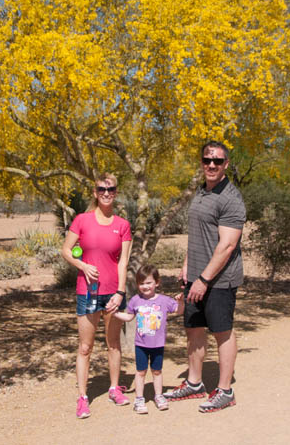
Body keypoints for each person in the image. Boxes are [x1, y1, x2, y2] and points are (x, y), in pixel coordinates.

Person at [164, 140, 245, 412]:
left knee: (222, 331)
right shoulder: (201, 191)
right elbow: (198, 233)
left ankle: (225, 390)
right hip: (196, 276)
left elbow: (227, 245)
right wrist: (188, 266)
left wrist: (204, 280)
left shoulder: (231, 198)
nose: (211, 165)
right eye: (207, 160)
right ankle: (194, 383)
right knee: (194, 328)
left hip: (219, 279)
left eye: (217, 161)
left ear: (226, 164)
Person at [61, 173, 133, 419]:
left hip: (113, 293)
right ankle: (83, 397)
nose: (106, 193)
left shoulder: (122, 225)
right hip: (87, 291)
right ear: (95, 192)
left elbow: (123, 262)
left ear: (116, 192)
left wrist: (120, 292)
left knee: (114, 344)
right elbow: (66, 250)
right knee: (85, 347)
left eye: (110, 189)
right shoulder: (82, 220)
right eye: (102, 189)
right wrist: (82, 266)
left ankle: (114, 388)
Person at [112, 264, 185, 414]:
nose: (145, 286)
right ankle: (139, 399)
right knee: (141, 372)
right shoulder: (135, 300)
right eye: (141, 283)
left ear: (157, 282)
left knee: (157, 371)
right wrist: (115, 313)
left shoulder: (164, 301)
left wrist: (181, 301)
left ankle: (159, 396)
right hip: (141, 345)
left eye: (148, 283)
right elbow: (129, 317)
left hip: (158, 345)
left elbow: (179, 311)